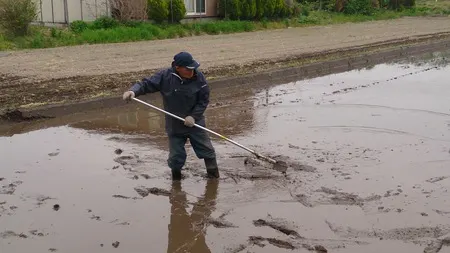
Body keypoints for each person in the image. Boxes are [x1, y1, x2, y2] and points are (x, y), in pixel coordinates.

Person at [122, 52, 219, 180]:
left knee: (207, 150)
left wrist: (193, 116)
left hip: (195, 123)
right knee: (176, 157)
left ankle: (213, 177)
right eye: (188, 69)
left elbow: (203, 100)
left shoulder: (199, 77)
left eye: (193, 68)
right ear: (177, 67)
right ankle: (176, 180)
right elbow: (146, 84)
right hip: (175, 124)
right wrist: (132, 91)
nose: (192, 72)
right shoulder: (165, 76)